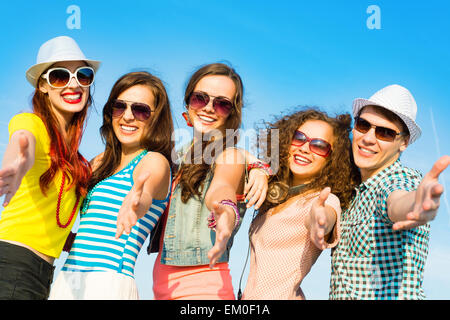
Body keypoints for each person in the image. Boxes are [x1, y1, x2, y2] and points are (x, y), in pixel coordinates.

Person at [118, 62, 269, 300]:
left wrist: (226, 212)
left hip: (205, 293)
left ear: (232, 113)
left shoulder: (230, 155)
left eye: (221, 104)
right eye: (200, 98)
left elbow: (223, 187)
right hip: (163, 291)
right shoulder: (178, 158)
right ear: (188, 103)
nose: (209, 108)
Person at [49, 71, 174, 299]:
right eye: (120, 106)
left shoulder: (154, 160)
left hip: (108, 282)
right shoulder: (98, 162)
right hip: (68, 279)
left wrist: (136, 202)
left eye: (140, 110)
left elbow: (145, 191)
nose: (127, 116)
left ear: (156, 119)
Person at [0, 36, 100, 300]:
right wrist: (17, 162)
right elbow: (23, 140)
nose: (73, 84)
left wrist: (77, 240)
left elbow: (54, 220)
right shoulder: (34, 124)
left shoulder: (77, 162)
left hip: (42, 273)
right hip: (12, 262)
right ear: (43, 85)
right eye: (59, 76)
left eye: (83, 75)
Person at [329, 84, 450, 299]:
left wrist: (417, 205)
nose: (368, 138)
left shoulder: (398, 179)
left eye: (385, 132)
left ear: (403, 142)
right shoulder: (354, 192)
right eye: (363, 125)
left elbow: (396, 199)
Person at [242, 108, 360, 300]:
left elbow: (325, 215)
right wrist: (258, 168)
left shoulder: (323, 199)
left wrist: (321, 220)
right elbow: (232, 152)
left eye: (319, 146)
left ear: (332, 159)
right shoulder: (278, 196)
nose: (304, 148)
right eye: (299, 138)